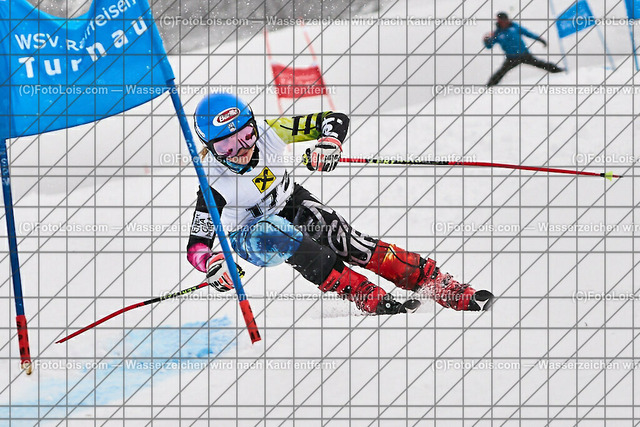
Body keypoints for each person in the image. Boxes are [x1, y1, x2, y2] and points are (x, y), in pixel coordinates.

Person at [186, 92, 493, 315]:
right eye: (226, 145)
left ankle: (435, 283)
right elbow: (197, 246)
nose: (241, 149)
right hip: (251, 235)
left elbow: (334, 119)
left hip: (289, 202)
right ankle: (361, 292)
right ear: (209, 147)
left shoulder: (270, 132)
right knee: (280, 234)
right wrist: (213, 263)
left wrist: (329, 142)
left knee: (345, 239)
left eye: (246, 134)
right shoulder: (213, 183)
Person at [484, 12, 564, 87]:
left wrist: (540, 40)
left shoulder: (515, 27)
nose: (503, 22)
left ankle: (559, 71)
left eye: (504, 20)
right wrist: (486, 40)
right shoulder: (497, 33)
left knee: (541, 64)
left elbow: (528, 34)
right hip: (511, 58)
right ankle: (489, 86)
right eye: (500, 20)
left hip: (524, 55)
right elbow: (489, 46)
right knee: (500, 73)